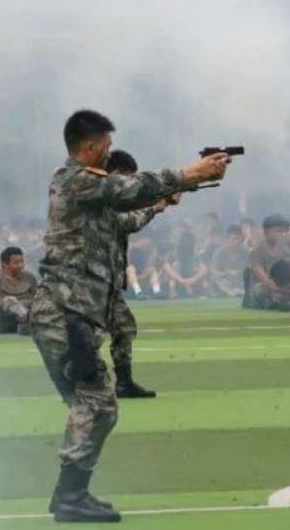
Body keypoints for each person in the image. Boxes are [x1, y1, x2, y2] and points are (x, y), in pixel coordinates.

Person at [32, 110, 227, 522]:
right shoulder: (72, 179)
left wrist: (177, 190)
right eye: (106, 145)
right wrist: (189, 172)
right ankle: (69, 496)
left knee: (94, 405)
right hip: (66, 315)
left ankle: (72, 493)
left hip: (76, 315)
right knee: (97, 405)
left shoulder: (92, 191)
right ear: (89, 146)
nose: (109, 152)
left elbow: (129, 205)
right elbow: (129, 188)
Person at [106, 149, 172, 398]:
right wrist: (155, 207)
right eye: (127, 177)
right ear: (117, 173)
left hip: (108, 281)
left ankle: (124, 382)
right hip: (92, 281)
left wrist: (158, 200)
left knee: (123, 327)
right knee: (86, 336)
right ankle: (82, 385)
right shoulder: (100, 195)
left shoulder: (111, 195)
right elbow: (127, 222)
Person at [0, 246, 38, 334]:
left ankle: (26, 324)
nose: (20, 265)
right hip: (6, 317)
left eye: (22, 262)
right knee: (9, 300)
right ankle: (26, 320)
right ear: (5, 264)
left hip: (28, 311)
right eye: (16, 263)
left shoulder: (30, 278)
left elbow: (35, 298)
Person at [210, 225, 249, 297]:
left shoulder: (246, 252)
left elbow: (249, 270)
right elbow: (214, 271)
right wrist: (227, 273)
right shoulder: (219, 253)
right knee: (215, 279)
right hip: (225, 279)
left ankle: (241, 291)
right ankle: (234, 292)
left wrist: (237, 272)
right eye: (233, 239)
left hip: (239, 280)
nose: (236, 242)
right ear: (227, 239)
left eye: (238, 239)